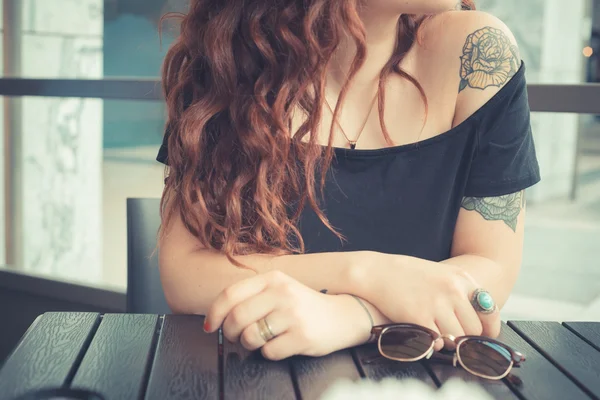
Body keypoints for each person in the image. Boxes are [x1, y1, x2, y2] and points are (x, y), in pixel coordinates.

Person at [156, 0, 540, 361]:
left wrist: (354, 316)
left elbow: (492, 265)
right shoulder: (231, 56)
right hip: (255, 372)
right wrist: (369, 275)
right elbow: (185, 274)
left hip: (421, 376)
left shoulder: (479, 54)